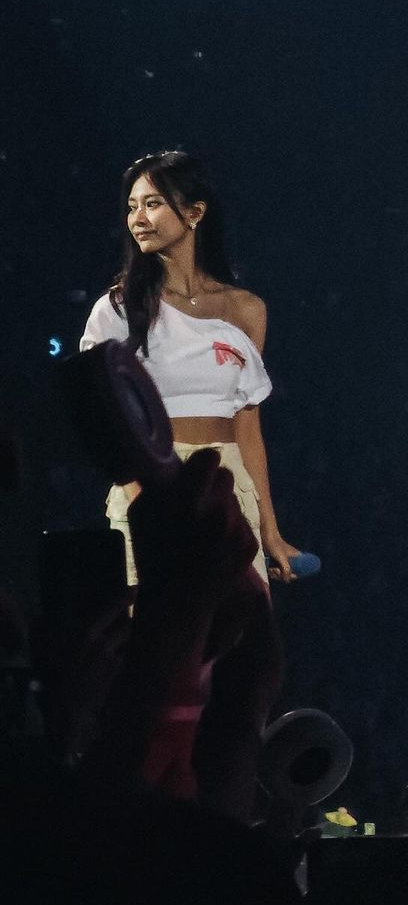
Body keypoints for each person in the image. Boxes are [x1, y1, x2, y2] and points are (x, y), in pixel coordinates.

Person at [80, 150, 302, 584]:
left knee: (238, 624)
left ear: (195, 213)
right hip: (149, 484)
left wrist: (270, 531)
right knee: (157, 623)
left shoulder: (246, 309)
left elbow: (247, 427)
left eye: (152, 203)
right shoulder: (117, 309)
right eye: (132, 206)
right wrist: (140, 494)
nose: (138, 218)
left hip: (229, 485)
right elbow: (100, 421)